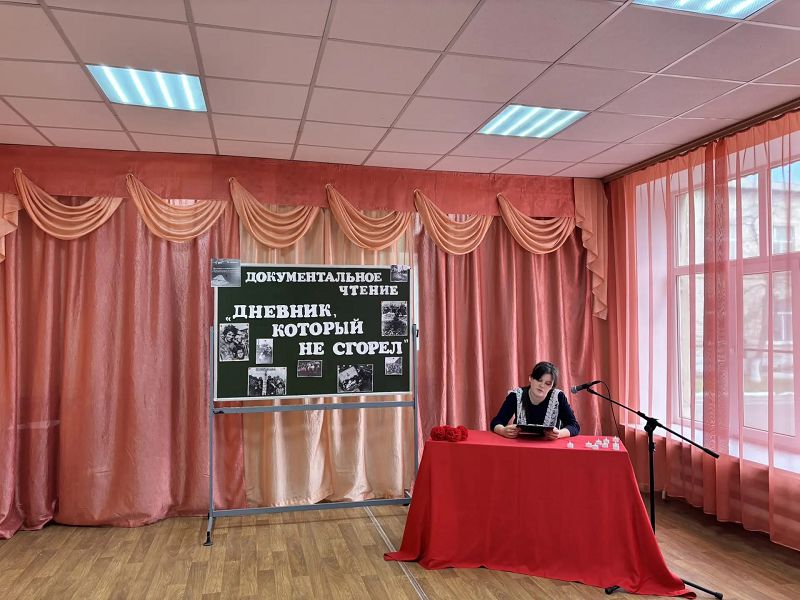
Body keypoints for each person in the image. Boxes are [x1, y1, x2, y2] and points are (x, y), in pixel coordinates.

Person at [490, 361, 580, 440]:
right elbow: (496, 422)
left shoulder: (558, 397)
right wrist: (503, 430)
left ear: (552, 387)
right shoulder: (516, 395)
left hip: (549, 446)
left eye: (547, 383)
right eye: (539, 380)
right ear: (530, 378)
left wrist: (559, 434)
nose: (542, 385)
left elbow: (574, 426)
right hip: (521, 444)